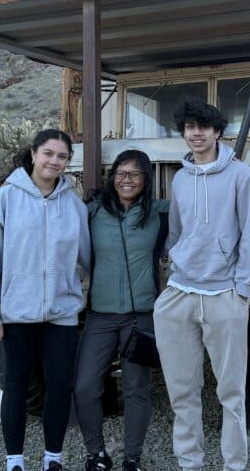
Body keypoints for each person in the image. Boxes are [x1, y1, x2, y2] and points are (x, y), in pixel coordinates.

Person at [153, 97, 250, 471]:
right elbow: (177, 231)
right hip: (180, 293)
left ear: (217, 131)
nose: (195, 134)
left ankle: (234, 464)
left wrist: (242, 288)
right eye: (188, 128)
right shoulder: (180, 178)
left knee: (231, 393)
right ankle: (190, 463)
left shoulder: (241, 175)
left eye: (202, 127)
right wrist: (175, 263)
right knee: (182, 393)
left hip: (224, 295)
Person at [0, 128, 90, 471]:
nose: (54, 161)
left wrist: (85, 290)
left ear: (68, 162)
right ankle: (15, 461)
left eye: (62, 156)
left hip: (61, 314)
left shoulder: (72, 204)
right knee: (16, 386)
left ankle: (53, 457)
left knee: (59, 386)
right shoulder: (6, 199)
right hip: (16, 313)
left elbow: (87, 255)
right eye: (49, 153)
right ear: (34, 154)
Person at [74, 150, 170, 471]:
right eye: (120, 173)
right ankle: (97, 455)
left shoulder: (160, 214)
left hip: (140, 317)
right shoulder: (92, 212)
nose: (126, 180)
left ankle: (132, 459)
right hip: (100, 316)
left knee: (136, 390)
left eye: (134, 174)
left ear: (146, 180)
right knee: (85, 386)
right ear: (112, 177)